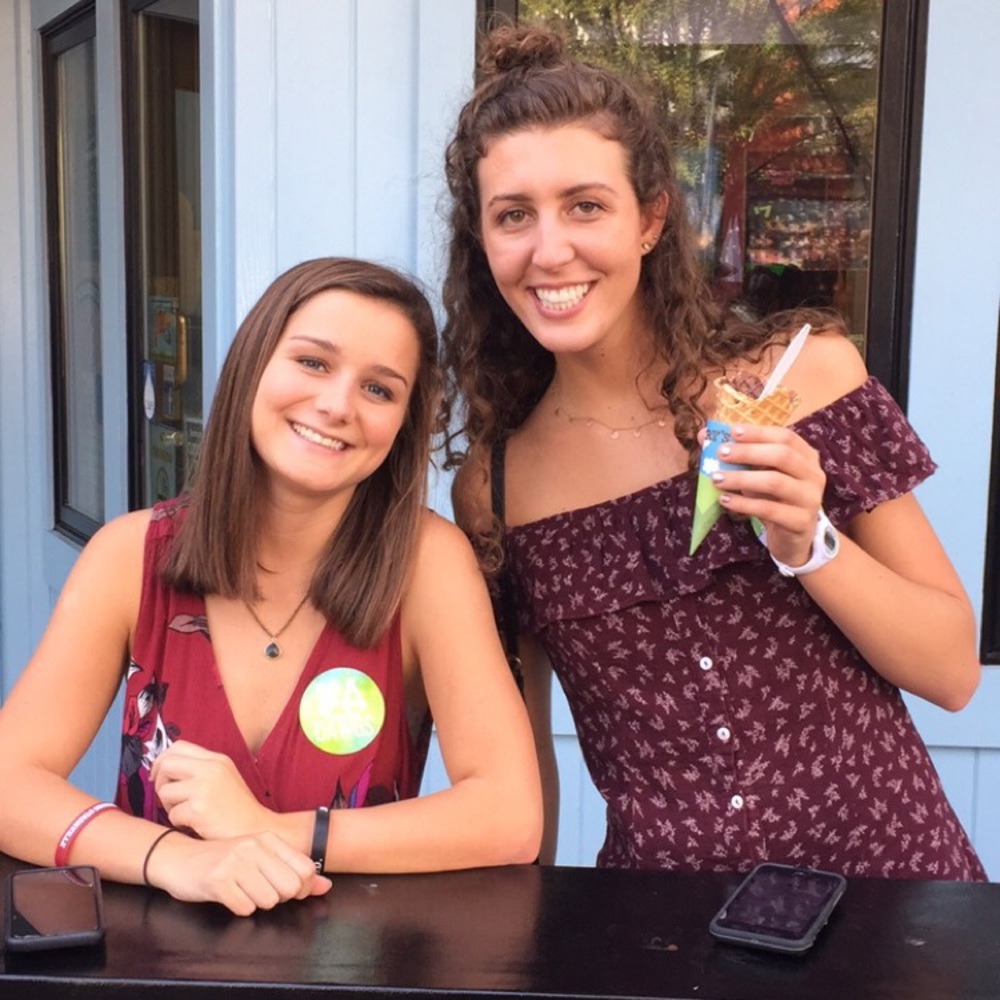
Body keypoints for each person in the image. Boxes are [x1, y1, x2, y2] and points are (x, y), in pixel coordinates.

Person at [439, 25, 985, 880]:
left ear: (651, 218)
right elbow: (525, 769)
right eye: (514, 216)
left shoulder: (802, 379)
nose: (550, 250)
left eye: (586, 205)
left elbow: (954, 670)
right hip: (661, 932)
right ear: (484, 241)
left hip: (891, 896)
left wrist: (812, 544)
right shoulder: (495, 485)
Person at [0, 257, 542, 915]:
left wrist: (272, 829)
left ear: (404, 423)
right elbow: (10, 780)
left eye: (379, 389)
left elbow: (509, 816)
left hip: (353, 975)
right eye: (313, 363)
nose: (337, 405)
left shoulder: (426, 564)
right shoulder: (130, 557)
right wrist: (177, 858)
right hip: (154, 972)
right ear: (253, 364)